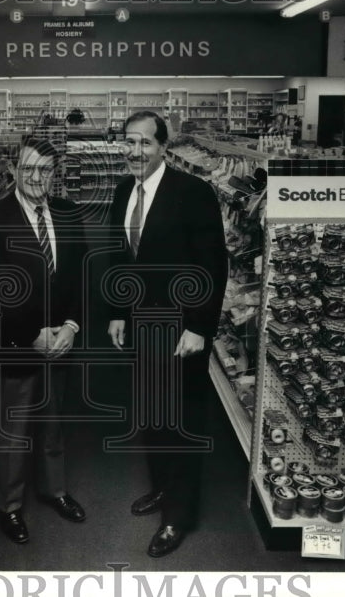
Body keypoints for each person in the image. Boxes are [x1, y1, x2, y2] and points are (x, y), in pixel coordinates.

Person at [104, 111, 227, 558]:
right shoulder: (122, 192)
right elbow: (120, 259)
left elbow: (212, 264)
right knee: (152, 413)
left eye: (145, 144)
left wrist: (199, 326)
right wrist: (118, 312)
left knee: (182, 421)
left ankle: (178, 515)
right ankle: (161, 488)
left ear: (163, 147)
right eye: (128, 143)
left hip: (181, 329)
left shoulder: (193, 193)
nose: (135, 152)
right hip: (141, 326)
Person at [0, 135, 88, 544]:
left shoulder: (70, 214)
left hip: (60, 343)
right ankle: (9, 506)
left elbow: (80, 278)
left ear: (55, 174)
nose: (37, 177)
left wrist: (71, 326)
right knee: (12, 432)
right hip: (17, 345)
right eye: (28, 168)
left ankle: (54, 490)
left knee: (53, 423)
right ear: (12, 171)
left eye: (45, 170)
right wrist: (31, 335)